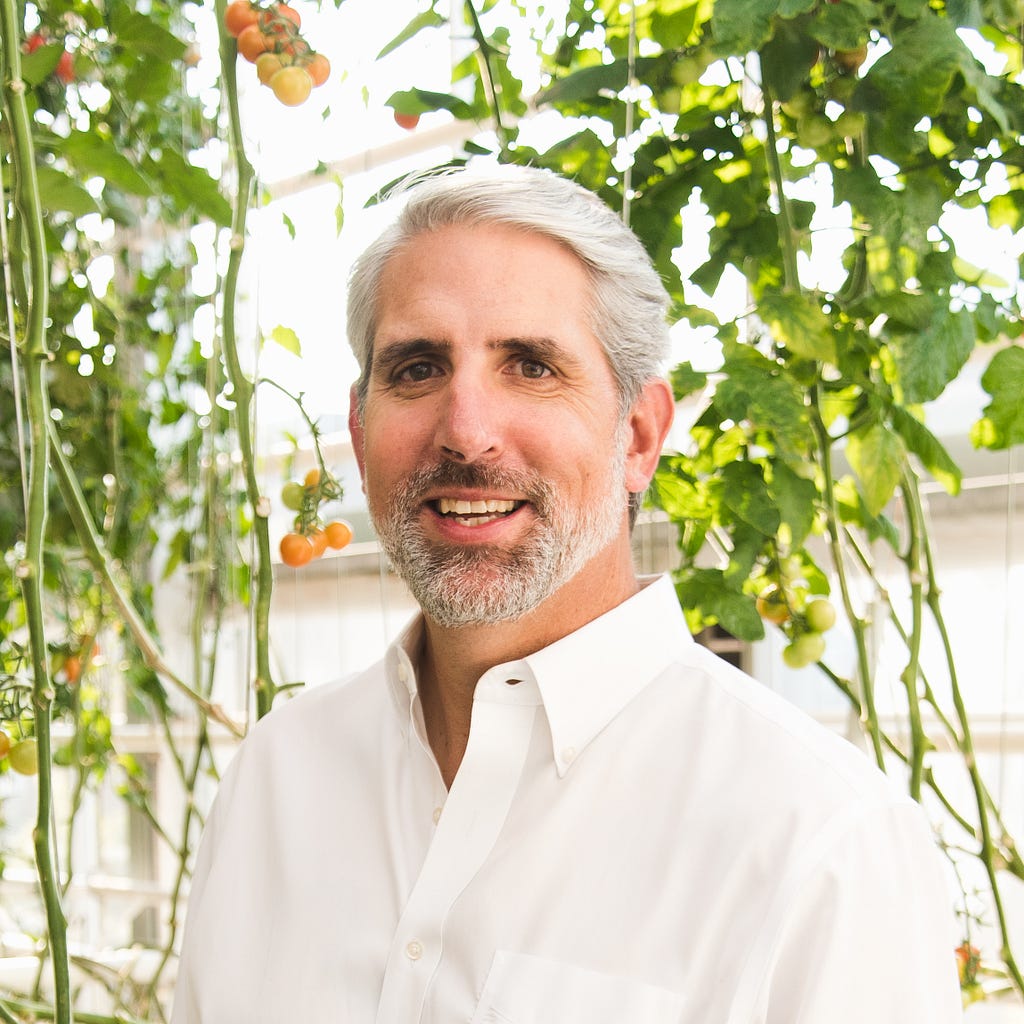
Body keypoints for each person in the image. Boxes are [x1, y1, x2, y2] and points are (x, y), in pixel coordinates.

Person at [171, 165, 961, 1023]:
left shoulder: (818, 841)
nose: (466, 432)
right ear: (360, 439)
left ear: (639, 435)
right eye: (417, 367)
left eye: (532, 366)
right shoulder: (273, 780)